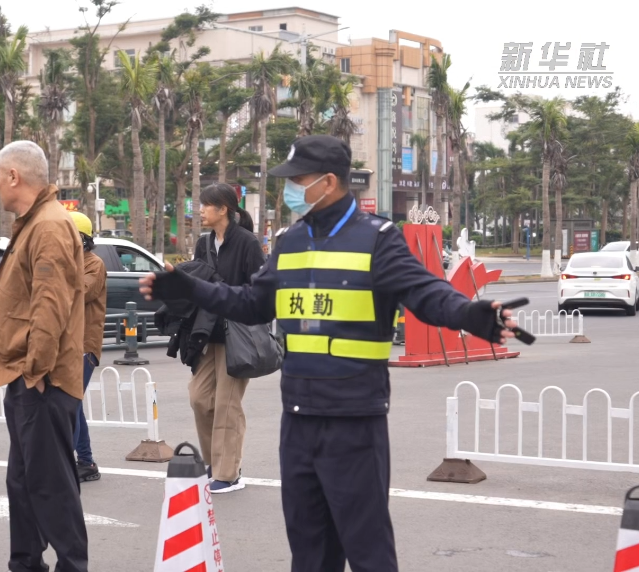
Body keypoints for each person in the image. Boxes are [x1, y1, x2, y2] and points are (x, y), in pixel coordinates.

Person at [140, 134, 519, 571]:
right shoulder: (291, 241)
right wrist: (190, 287)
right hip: (298, 420)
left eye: (298, 180)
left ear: (329, 182)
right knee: (310, 552)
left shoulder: (377, 238)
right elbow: (251, 303)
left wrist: (471, 314)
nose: (291, 189)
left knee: (368, 550)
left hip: (354, 421)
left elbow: (426, 292)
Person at [0, 140, 87, 572]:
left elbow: (49, 307)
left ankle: (72, 566)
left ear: (13, 176)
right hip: (28, 376)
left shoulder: (49, 226)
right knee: (22, 483)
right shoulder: (36, 222)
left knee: (50, 486)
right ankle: (25, 563)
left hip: (42, 379)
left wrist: (36, 372)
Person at [190, 183, 264, 493]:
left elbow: (260, 291)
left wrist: (228, 297)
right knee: (199, 398)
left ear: (223, 209)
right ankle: (215, 461)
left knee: (227, 404)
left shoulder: (247, 243)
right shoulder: (204, 243)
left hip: (238, 335)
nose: (200, 210)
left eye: (206, 205)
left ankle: (229, 473)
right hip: (208, 333)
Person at [69, 211, 106, 483]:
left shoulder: (94, 264)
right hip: (65, 344)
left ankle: (64, 460)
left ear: (81, 239)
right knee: (72, 404)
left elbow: (81, 292)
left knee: (68, 404)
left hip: (83, 344)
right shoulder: (64, 263)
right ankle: (86, 462)